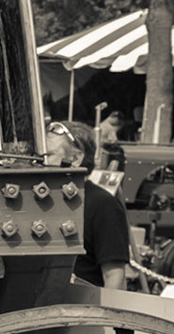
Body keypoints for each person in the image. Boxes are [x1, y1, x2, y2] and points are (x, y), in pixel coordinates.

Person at [48, 119, 130, 290]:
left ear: (76, 159)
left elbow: (114, 275)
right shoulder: (45, 201)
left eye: (49, 155)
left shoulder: (104, 205)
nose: (41, 163)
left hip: (84, 310)